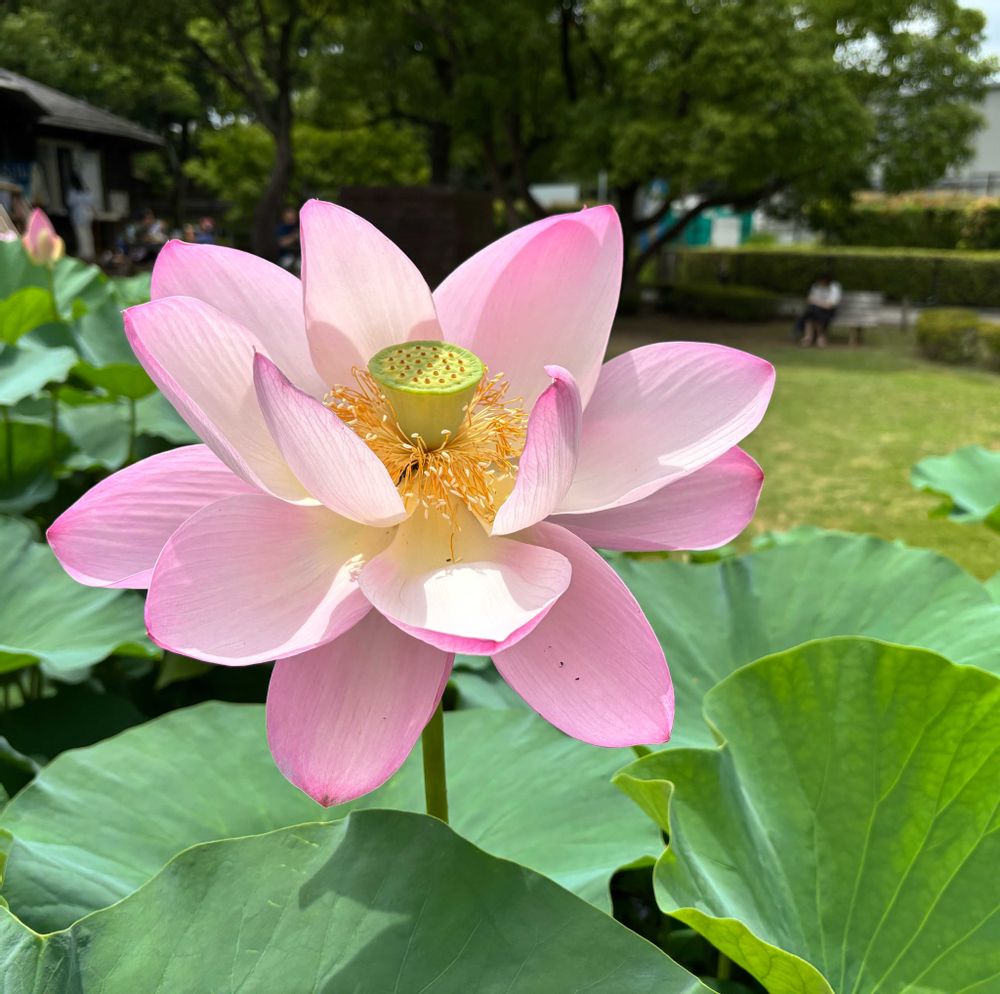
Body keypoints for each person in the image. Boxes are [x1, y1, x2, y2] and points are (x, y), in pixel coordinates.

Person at [800, 272, 842, 348]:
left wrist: (816, 302)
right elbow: (809, 299)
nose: (821, 282)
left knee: (814, 313)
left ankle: (810, 337)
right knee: (812, 313)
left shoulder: (834, 287)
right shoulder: (816, 286)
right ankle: (818, 337)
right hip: (815, 310)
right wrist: (820, 303)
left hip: (829, 311)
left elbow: (830, 305)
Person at [66, 172, 95, 261]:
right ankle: (90, 252)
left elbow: (69, 202)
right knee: (88, 234)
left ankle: (84, 253)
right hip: (87, 214)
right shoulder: (86, 190)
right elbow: (91, 200)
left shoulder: (73, 191)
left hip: (78, 215)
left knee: (81, 235)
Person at [276, 205, 300, 272]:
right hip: (286, 256)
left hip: (299, 256)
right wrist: (293, 237)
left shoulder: (298, 227)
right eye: (289, 218)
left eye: (293, 217)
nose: (291, 219)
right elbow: (282, 243)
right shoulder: (281, 228)